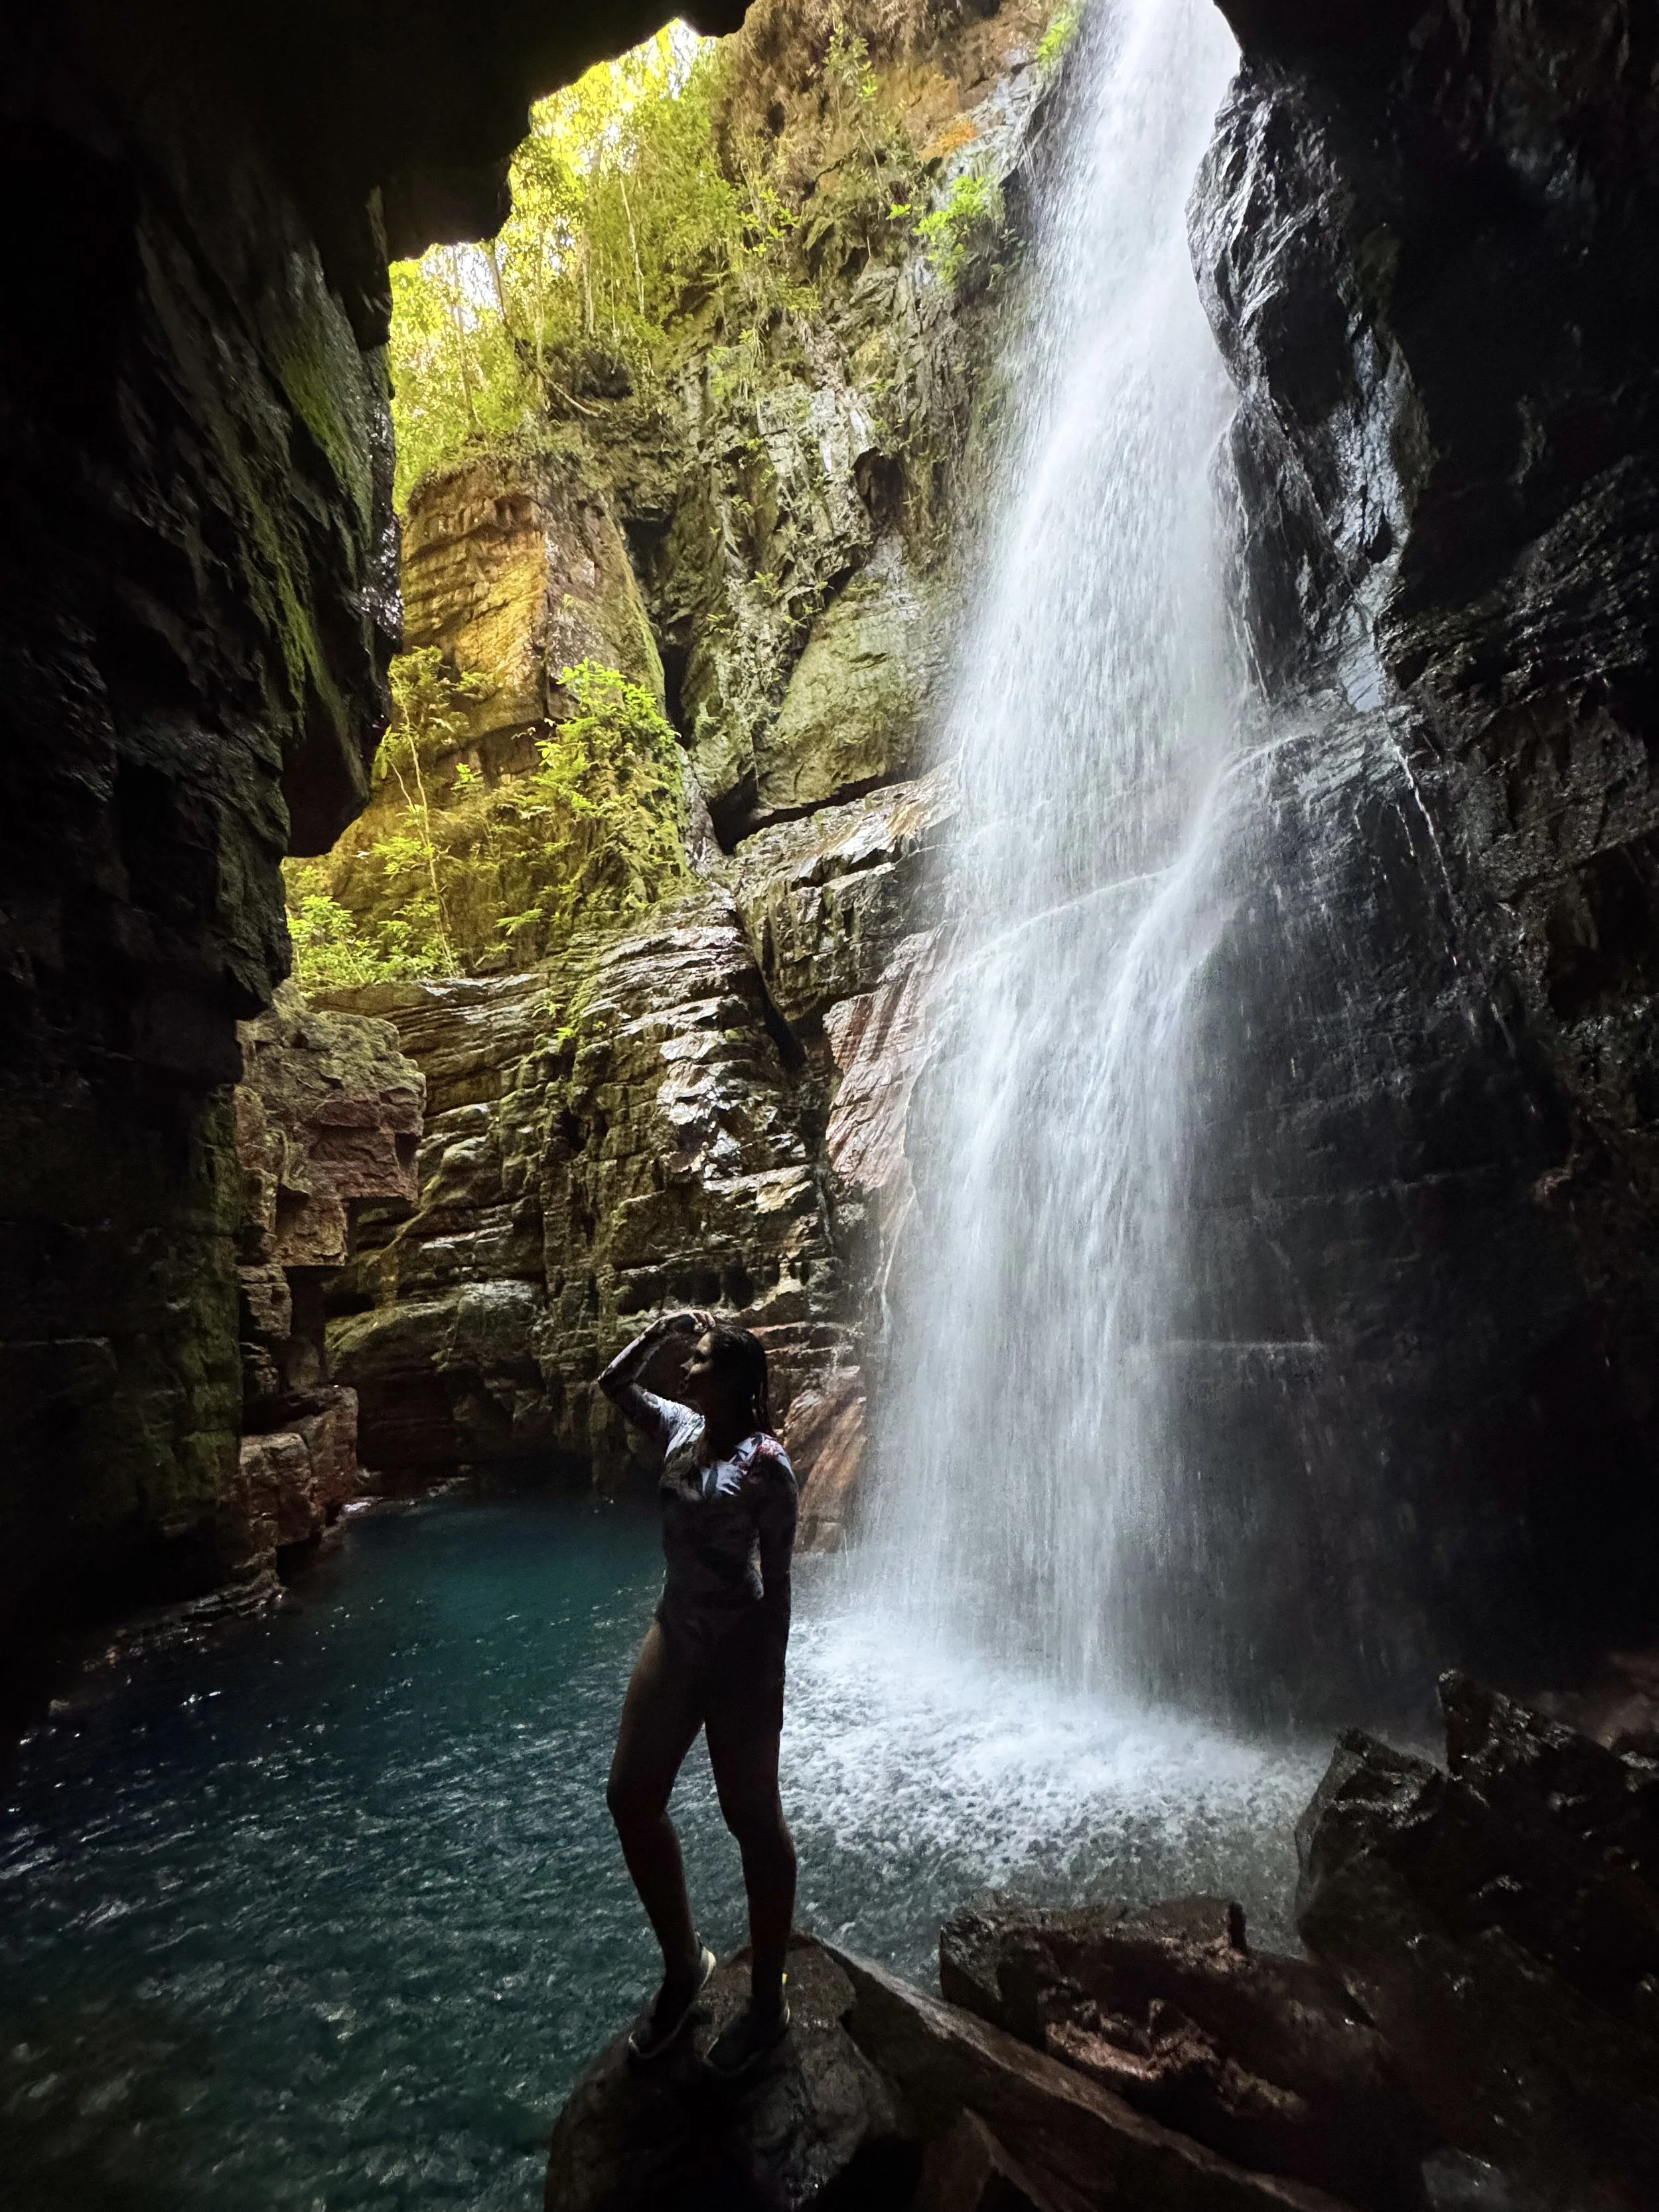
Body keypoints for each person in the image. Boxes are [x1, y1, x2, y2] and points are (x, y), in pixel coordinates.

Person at [599, 1307, 799, 2081]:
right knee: (629, 1797)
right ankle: (686, 1964)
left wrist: (771, 1678)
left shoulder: (768, 1465)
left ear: (737, 1381)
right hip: (674, 1632)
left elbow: (778, 1584)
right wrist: (660, 1331)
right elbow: (613, 1383)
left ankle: (769, 2006)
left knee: (751, 1819)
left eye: (701, 1358)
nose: (686, 1369)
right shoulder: (678, 1426)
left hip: (739, 1651)